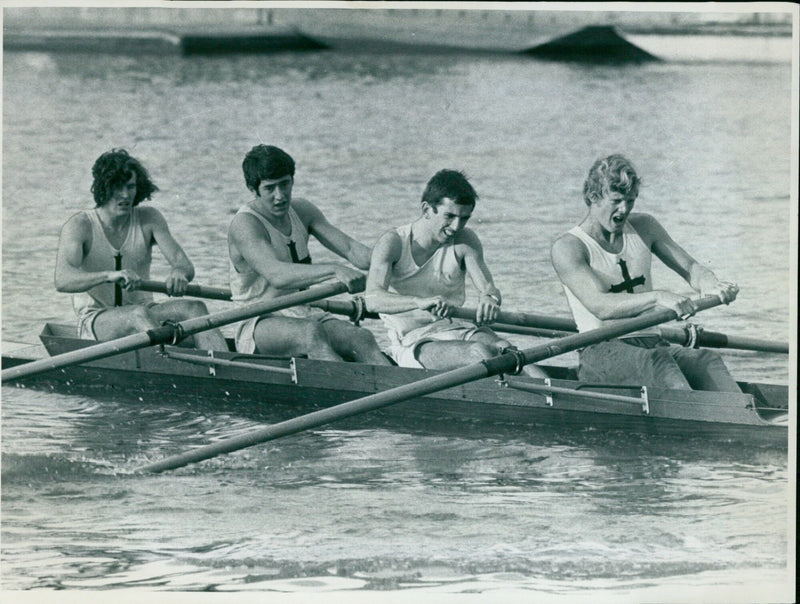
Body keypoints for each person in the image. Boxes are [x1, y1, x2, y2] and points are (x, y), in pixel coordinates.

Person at [550, 154, 740, 391]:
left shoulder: (645, 227)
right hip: (600, 349)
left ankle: (745, 420)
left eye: (631, 200)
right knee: (658, 363)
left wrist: (711, 284)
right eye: (617, 200)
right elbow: (601, 306)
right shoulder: (568, 247)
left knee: (706, 360)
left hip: (652, 342)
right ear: (593, 197)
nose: (625, 209)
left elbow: (691, 268)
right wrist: (659, 296)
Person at [365, 169, 547, 377]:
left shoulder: (465, 240)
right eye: (449, 216)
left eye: (464, 218)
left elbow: (488, 288)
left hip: (459, 328)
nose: (456, 227)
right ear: (426, 209)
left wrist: (490, 298)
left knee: (511, 353)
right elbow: (373, 299)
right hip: (414, 341)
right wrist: (418, 302)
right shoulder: (393, 243)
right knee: (479, 352)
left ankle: (555, 399)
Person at [227, 144, 391, 364]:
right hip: (258, 321)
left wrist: (399, 259)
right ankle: (348, 391)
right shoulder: (245, 224)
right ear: (254, 190)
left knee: (361, 337)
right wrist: (335, 270)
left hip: (302, 312)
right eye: (270, 188)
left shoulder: (303, 210)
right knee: (311, 335)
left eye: (285, 184)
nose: (280, 196)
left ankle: (401, 394)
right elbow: (278, 275)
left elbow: (354, 251)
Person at [55, 148, 228, 351]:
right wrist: (109, 275)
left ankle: (225, 369)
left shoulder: (149, 219)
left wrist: (179, 273)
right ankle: (175, 368)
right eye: (117, 187)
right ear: (103, 187)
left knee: (196, 308)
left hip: (145, 312)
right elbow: (63, 280)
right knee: (138, 314)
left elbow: (183, 264)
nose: (125, 195)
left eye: (130, 187)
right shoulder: (80, 226)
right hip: (97, 320)